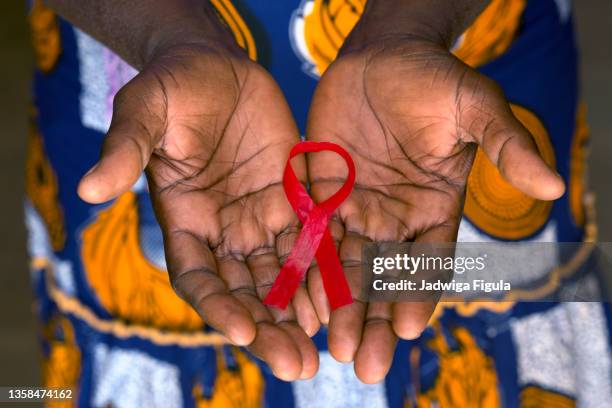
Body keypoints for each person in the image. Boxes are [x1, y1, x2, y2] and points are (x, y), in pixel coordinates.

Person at [25, 0, 611, 406]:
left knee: (473, 282)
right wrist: (165, 35)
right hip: (152, 88)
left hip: (458, 76)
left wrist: (413, 24)